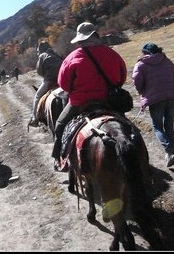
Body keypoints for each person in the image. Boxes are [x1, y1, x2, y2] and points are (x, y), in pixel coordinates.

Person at [51, 22, 127, 170]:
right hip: (109, 101)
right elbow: (122, 77)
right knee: (126, 127)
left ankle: (59, 158)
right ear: (95, 36)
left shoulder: (72, 57)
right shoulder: (111, 53)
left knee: (60, 124)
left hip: (80, 103)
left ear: (80, 40)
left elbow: (64, 85)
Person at [132, 43, 174, 168]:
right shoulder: (165, 60)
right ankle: (172, 152)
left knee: (157, 126)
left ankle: (169, 151)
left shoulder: (141, 64)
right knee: (169, 124)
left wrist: (143, 92)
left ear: (144, 52)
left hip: (155, 99)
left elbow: (137, 82)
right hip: (172, 95)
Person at [28, 41, 63, 127]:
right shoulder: (56, 54)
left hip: (49, 80)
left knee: (37, 96)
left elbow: (39, 71)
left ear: (40, 50)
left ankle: (34, 118)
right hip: (62, 79)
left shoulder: (42, 56)